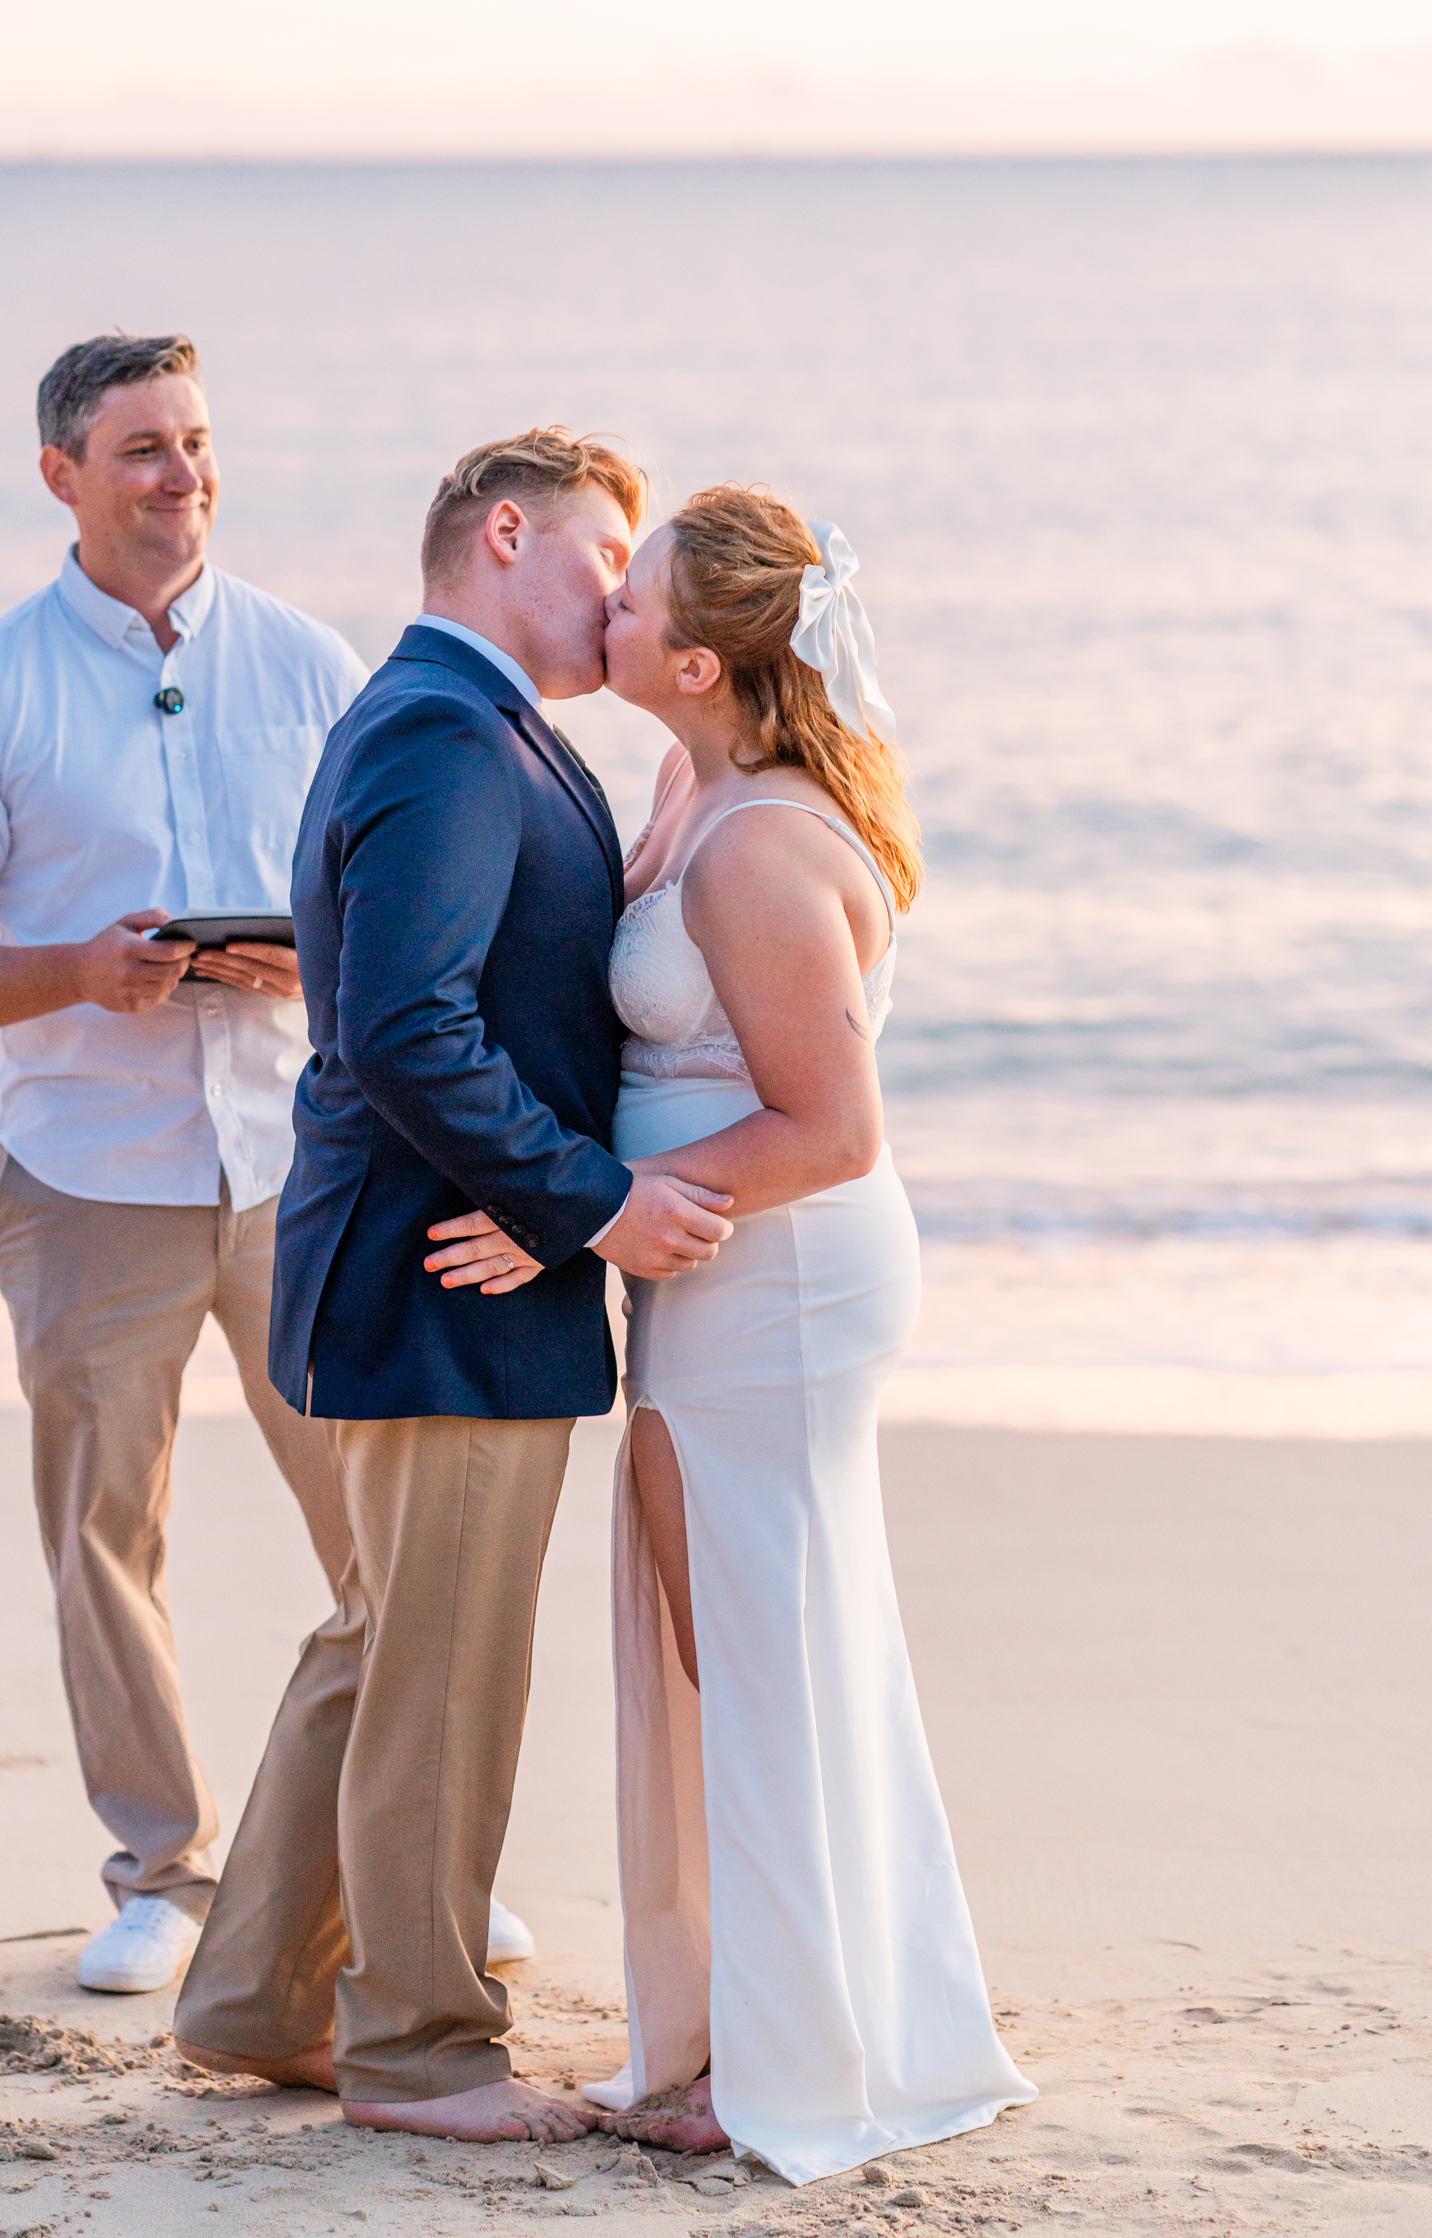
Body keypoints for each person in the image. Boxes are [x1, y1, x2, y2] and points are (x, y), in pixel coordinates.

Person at [431, 486, 1036, 2182]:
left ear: (694, 663)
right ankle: (747, 2025)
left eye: (633, 597)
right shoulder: (692, 781)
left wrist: (571, 1199)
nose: (601, 601)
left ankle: (782, 2060)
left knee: (751, 1657)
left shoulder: (764, 841)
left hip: (777, 1282)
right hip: (713, 1269)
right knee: (729, 1648)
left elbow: (833, 1128)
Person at [173, 428, 734, 2142]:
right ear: (508, 536)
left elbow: (470, 998)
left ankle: (262, 1996)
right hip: (447, 1274)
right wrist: (590, 1208)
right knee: (442, 1666)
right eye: (606, 556)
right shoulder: (441, 726)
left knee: (377, 1640)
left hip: (435, 1256)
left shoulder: (479, 726)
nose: (625, 592)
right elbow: (409, 1026)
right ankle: (422, 2047)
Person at [0, 332, 377, 1998]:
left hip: (299, 1165)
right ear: (62, 476)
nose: (184, 474)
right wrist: (83, 970)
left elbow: (405, 904)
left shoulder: (315, 665)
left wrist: (321, 959)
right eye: (143, 447)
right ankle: (166, 1871)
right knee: (106, 1534)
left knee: (378, 1516)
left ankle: (394, 1845)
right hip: (89, 1173)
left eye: (199, 439)